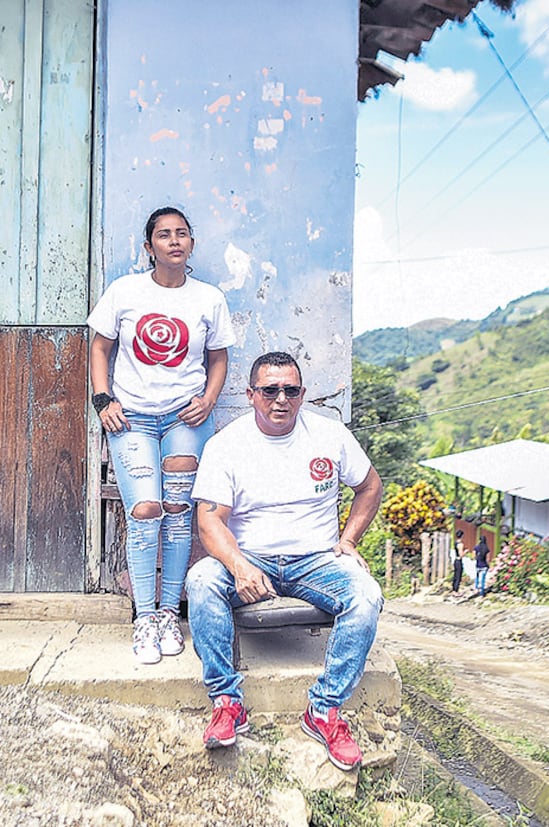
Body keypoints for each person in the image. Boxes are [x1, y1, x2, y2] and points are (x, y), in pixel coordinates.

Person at [186, 351, 384, 771]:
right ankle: (226, 703)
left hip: (316, 559)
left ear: (302, 394)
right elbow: (209, 520)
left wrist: (348, 541)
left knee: (366, 596)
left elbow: (370, 486)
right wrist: (239, 566)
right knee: (202, 581)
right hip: (251, 556)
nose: (281, 399)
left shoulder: (330, 436)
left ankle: (325, 710)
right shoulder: (227, 445)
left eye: (290, 390)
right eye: (270, 390)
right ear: (251, 394)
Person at [87, 206, 235, 665]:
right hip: (132, 418)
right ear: (148, 246)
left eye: (183, 234)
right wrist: (103, 400)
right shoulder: (125, 291)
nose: (174, 241)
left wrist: (209, 400)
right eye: (164, 235)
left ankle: (171, 613)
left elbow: (218, 357)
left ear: (192, 243)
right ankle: (143, 618)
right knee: (145, 511)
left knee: (176, 513)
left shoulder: (208, 298)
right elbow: (99, 347)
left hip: (185, 421)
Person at [451, 529, 465, 595]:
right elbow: (461, 554)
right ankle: (456, 591)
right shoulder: (460, 544)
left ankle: (454, 589)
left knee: (455, 575)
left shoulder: (455, 542)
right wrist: (465, 552)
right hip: (459, 560)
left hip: (455, 560)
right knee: (458, 576)